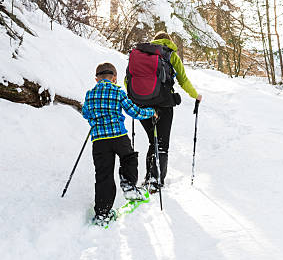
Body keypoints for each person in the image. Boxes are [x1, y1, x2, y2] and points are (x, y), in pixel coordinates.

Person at [82, 62, 156, 226]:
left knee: (103, 175)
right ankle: (129, 187)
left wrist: (95, 118)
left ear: (96, 79)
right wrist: (151, 112)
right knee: (129, 158)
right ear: (114, 78)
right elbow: (135, 112)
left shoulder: (89, 94)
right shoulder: (117, 92)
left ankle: (102, 213)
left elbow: (85, 113)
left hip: (99, 140)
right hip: (118, 136)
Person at [140, 32, 202, 192]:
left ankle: (148, 178)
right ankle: (156, 181)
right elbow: (183, 80)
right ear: (169, 41)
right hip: (164, 104)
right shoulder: (171, 55)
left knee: (151, 141)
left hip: (142, 104)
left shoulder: (142, 53)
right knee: (162, 144)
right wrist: (196, 95)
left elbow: (128, 79)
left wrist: (140, 97)